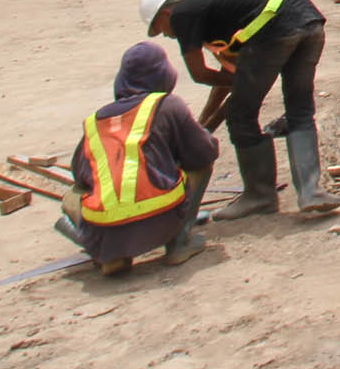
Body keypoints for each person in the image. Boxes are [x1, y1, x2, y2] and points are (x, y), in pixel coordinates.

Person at [139, 0, 340, 219]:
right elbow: (230, 78)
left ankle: (260, 196)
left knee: (240, 115)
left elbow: (200, 74)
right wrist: (205, 126)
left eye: (160, 30)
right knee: (299, 108)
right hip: (309, 22)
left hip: (277, 27)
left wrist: (245, 82)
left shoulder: (183, 15)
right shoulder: (220, 11)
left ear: (165, 14)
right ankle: (311, 192)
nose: (167, 36)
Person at [57, 42, 220, 274]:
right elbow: (204, 152)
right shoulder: (168, 104)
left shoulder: (94, 122)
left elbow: (81, 175)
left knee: (73, 195)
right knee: (200, 165)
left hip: (104, 234)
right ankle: (178, 244)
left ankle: (112, 255)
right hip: (162, 222)